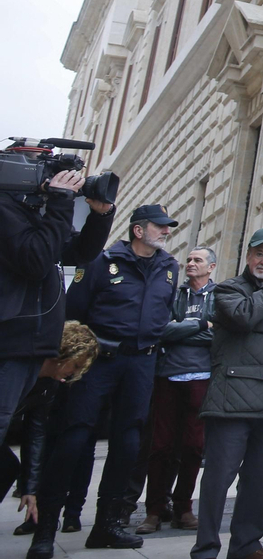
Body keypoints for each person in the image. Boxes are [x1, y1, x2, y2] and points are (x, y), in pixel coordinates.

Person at [28, 202, 180, 558]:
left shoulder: (169, 268)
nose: (166, 231)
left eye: (167, 226)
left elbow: (163, 312)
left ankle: (107, 525)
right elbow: (75, 312)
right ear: (138, 230)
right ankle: (46, 528)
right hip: (100, 360)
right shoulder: (102, 261)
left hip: (141, 363)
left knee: (128, 444)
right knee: (73, 438)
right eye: (159, 226)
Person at [191, 227, 263, 559]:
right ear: (248, 256)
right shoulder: (228, 289)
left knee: (258, 480)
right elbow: (245, 316)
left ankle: (246, 545)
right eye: (259, 254)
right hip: (231, 402)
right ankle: (205, 549)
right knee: (218, 480)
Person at [0, 165, 112, 441]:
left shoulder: (37, 216)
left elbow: (80, 253)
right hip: (10, 342)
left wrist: (101, 216)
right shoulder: (6, 210)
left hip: (30, 344)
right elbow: (36, 260)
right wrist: (60, 202)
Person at [137, 247, 218, 535]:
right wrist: (200, 324)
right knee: (160, 446)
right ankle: (154, 510)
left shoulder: (219, 296)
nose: (191, 263)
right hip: (168, 376)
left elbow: (218, 334)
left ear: (211, 267)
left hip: (202, 377)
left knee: (193, 447)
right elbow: (162, 331)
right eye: (190, 259)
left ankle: (183, 508)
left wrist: (181, 329)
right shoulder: (174, 294)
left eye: (198, 260)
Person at [0, 322, 100, 533]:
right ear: (65, 355)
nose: (74, 373)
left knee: (8, 466)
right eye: (76, 366)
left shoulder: (48, 384)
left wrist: (30, 488)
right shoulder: (19, 364)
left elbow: (35, 431)